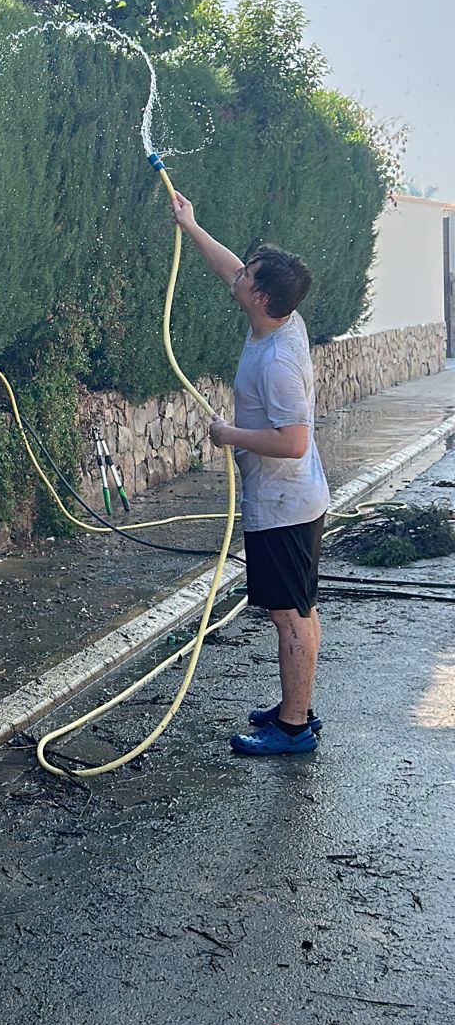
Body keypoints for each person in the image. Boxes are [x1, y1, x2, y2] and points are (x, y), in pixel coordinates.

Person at [170, 195, 331, 756]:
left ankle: (291, 730)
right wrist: (192, 225)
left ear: (260, 298)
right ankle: (296, 709)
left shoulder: (278, 361)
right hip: (295, 501)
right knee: (299, 610)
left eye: (247, 275)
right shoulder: (278, 317)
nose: (237, 274)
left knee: (289, 616)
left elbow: (294, 442)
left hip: (284, 504)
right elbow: (231, 271)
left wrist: (228, 435)